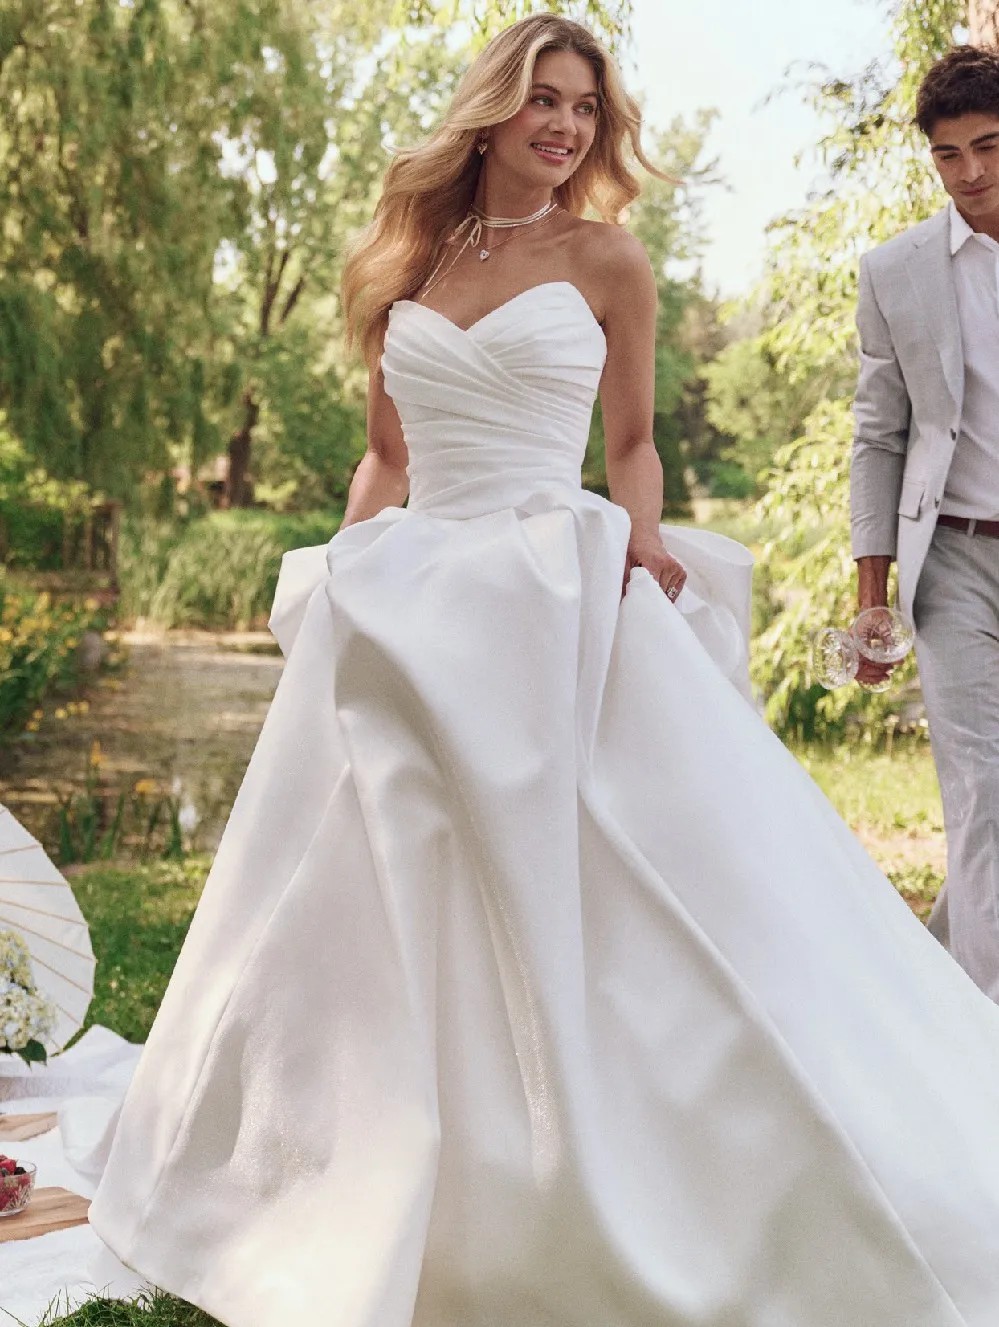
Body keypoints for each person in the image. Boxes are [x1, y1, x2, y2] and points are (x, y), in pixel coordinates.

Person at [89, 17, 999, 1326]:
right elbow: (387, 459)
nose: (565, 126)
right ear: (492, 111)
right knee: (379, 874)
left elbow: (628, 443)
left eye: (583, 106)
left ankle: (597, 1156)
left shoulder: (606, 259)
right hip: (407, 599)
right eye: (543, 100)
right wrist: (340, 579)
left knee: (606, 872)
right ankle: (373, 1158)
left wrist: (635, 529)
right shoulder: (404, 256)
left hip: (546, 592)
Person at [852, 44, 999, 1001]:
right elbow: (878, 436)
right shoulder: (894, 271)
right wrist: (872, 598)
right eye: (948, 155)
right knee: (984, 800)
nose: (971, 173)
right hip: (952, 559)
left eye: (988, 146)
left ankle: (936, 994)